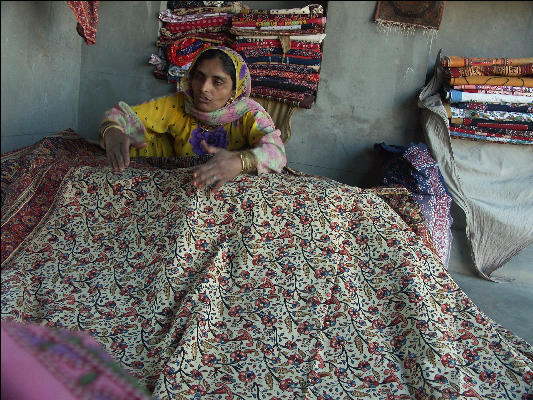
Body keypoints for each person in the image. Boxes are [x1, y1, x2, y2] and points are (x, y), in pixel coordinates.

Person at [97, 46, 286, 191]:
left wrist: (241, 162)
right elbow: (122, 115)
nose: (204, 88)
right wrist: (113, 131)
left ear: (234, 90)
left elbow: (277, 153)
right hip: (183, 190)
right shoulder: (181, 104)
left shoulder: (249, 114)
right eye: (199, 77)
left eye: (217, 82)